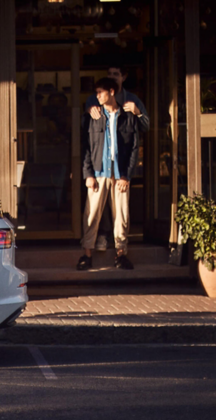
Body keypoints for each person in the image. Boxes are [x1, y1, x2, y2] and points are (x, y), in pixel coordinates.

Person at [84, 65, 149, 251]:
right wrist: (89, 110)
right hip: (100, 166)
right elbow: (87, 141)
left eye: (115, 74)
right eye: (109, 74)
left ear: (123, 77)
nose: (112, 77)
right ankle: (98, 241)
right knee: (94, 210)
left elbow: (140, 135)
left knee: (121, 212)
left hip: (119, 168)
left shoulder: (131, 102)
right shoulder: (95, 101)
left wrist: (138, 113)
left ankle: (121, 251)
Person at [77, 77, 140, 271]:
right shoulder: (93, 116)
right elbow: (86, 147)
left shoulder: (127, 116)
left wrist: (126, 176)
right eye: (96, 92)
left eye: (100, 92)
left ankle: (121, 255)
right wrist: (88, 174)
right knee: (92, 213)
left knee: (122, 215)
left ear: (111, 92)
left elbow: (134, 148)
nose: (97, 96)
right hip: (98, 172)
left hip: (119, 173)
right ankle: (86, 255)